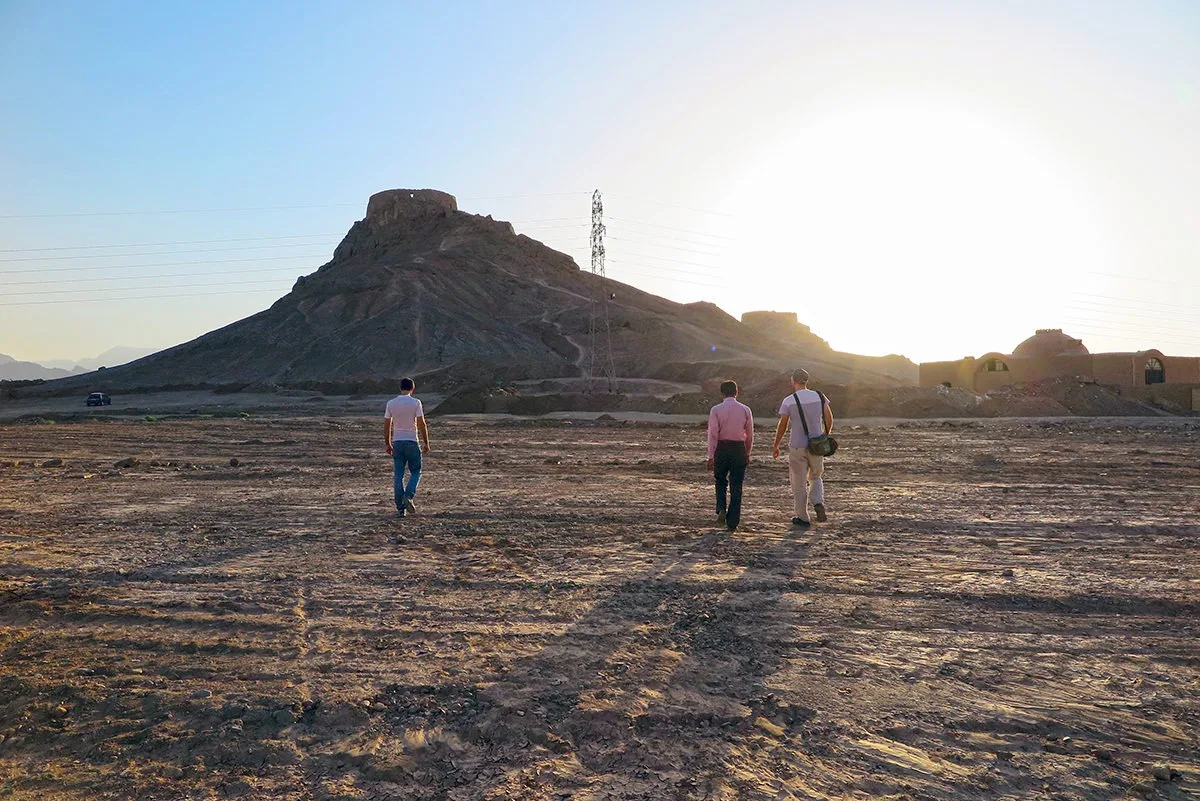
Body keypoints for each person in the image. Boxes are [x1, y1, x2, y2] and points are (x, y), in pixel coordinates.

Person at [771, 368, 833, 527]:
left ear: (793, 381)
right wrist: (825, 434)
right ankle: (818, 502)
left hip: (797, 446)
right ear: (807, 380)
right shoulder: (820, 396)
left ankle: (803, 517)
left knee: (798, 483)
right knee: (816, 476)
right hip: (817, 445)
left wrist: (776, 444)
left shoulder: (789, 400)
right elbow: (829, 417)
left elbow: (783, 425)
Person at [707, 379, 754, 532]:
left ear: (722, 393)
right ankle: (733, 521)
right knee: (737, 485)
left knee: (720, 480)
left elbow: (713, 434)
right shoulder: (745, 409)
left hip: (722, 447)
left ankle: (721, 508)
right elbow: (749, 434)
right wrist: (747, 452)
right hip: (738, 448)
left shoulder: (716, 410)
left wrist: (711, 455)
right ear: (736, 392)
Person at [384, 377, 430, 517]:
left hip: (397, 442)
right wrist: (426, 442)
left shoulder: (391, 403)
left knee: (398, 476)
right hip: (411, 441)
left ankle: (400, 508)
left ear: (400, 388)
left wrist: (388, 443)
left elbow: (387, 424)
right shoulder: (416, 403)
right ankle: (408, 496)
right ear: (412, 388)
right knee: (416, 472)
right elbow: (421, 423)